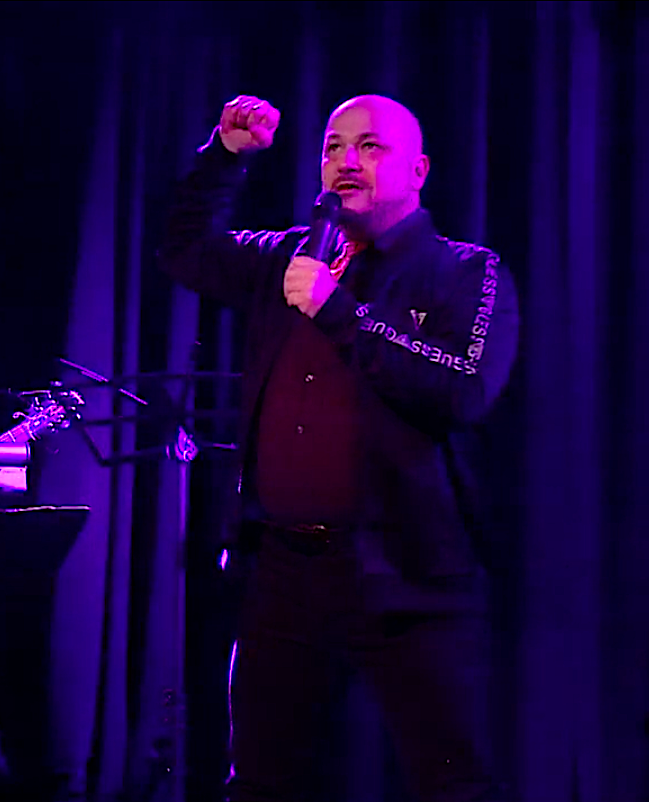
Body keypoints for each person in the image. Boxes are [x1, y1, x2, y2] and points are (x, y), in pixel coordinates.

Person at [158, 94, 520, 802]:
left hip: (410, 578)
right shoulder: (288, 257)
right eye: (331, 146)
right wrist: (223, 157)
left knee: (453, 783)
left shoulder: (465, 270)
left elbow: (463, 390)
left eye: (369, 147)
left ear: (417, 171)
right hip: (283, 571)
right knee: (262, 782)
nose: (345, 161)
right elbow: (181, 248)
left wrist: (342, 313)